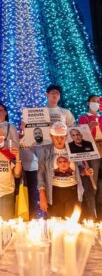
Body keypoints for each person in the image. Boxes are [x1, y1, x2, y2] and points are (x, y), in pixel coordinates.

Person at [20, 84, 75, 219]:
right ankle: (45, 214)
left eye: (57, 93)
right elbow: (30, 131)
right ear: (47, 94)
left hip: (61, 150)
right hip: (42, 149)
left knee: (57, 179)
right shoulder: (39, 111)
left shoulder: (65, 112)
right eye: (52, 93)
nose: (55, 95)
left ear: (59, 96)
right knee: (42, 177)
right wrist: (25, 127)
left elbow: (73, 129)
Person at [37, 122, 91, 218]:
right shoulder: (45, 150)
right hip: (54, 192)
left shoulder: (72, 149)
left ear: (66, 136)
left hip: (72, 191)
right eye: (56, 137)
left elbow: (79, 168)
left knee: (71, 225)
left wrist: (84, 171)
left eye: (62, 137)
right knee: (56, 225)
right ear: (51, 136)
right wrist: (42, 194)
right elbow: (41, 173)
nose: (59, 140)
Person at [0, 103, 22, 219]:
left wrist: (4, 148)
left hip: (7, 159)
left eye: (1, 110)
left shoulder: (10, 127)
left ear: (6, 112)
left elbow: (16, 146)